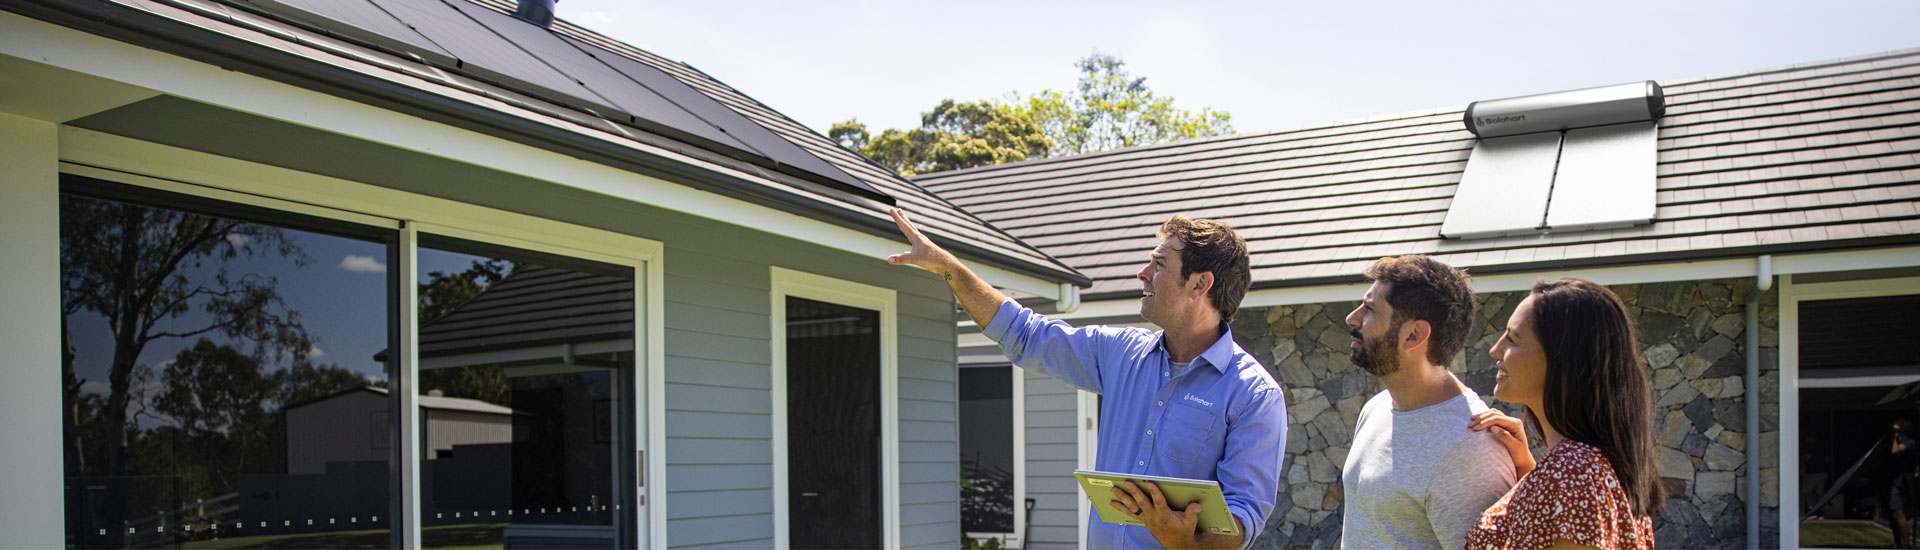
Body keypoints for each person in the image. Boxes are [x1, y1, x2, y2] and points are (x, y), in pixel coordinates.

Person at [885, 208, 1286, 549]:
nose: (1143, 272)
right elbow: (1024, 333)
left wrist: (1184, 542)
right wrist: (948, 268)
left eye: (1159, 264)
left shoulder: (1253, 394)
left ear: (1200, 284)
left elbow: (1242, 519)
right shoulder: (1120, 354)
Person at [1464, 278, 1663, 550]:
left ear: (1562, 357)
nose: (1495, 349)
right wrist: (1528, 469)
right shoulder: (1584, 467)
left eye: (1513, 338)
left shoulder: (1574, 470)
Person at [1341, 255, 1517, 550]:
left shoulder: (1470, 450)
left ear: (1414, 335)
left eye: (1369, 309)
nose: (1352, 318)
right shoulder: (1377, 408)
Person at [1889, 419, 1916, 548]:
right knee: (1896, 513)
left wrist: (1894, 438)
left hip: (1903, 481)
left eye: (1898, 430)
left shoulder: (1910, 443)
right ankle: (1899, 542)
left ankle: (1905, 544)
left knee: (1899, 513)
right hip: (1895, 479)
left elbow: (1895, 451)